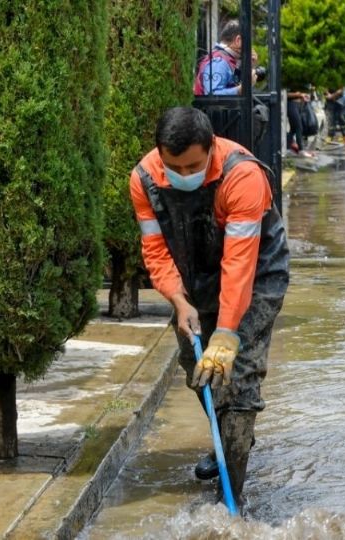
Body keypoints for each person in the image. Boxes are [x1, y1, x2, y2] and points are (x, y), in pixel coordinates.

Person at [129, 107, 290, 506]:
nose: (185, 173)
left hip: (256, 275)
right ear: (160, 154)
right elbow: (155, 249)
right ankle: (231, 440)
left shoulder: (243, 176)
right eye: (175, 166)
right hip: (193, 278)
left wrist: (227, 329)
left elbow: (239, 262)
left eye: (194, 165)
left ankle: (228, 499)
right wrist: (178, 300)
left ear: (212, 148)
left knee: (238, 376)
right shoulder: (144, 179)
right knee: (199, 371)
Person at [194, 20, 245, 96]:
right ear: (238, 40)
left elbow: (235, 82)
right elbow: (211, 95)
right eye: (247, 42)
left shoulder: (228, 58)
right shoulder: (219, 61)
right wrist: (240, 90)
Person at [286, 89, 314, 157]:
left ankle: (287, 148)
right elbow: (285, 94)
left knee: (293, 129)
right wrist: (299, 94)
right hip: (292, 104)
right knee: (299, 127)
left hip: (299, 105)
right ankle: (301, 150)